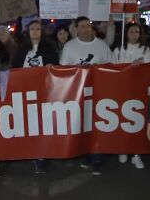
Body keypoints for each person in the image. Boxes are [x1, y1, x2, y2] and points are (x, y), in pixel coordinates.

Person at [60, 16, 113, 175]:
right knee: (81, 125)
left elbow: (111, 66)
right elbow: (63, 69)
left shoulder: (102, 46)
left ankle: (96, 159)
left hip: (98, 93)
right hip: (77, 94)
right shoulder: (69, 46)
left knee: (96, 126)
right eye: (82, 26)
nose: (86, 29)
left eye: (88, 25)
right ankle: (83, 154)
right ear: (76, 29)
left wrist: (99, 68)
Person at [12, 18, 58, 174]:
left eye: (38, 29)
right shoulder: (21, 48)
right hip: (25, 93)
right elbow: (15, 70)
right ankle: (30, 151)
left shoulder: (49, 47)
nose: (35, 31)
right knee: (28, 123)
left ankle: (41, 156)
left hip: (44, 93)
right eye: (32, 29)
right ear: (28, 31)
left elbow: (55, 67)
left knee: (42, 124)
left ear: (42, 31)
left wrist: (52, 67)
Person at [113, 22, 149, 169]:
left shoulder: (146, 50)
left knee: (138, 122)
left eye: (137, 32)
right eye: (131, 32)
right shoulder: (118, 50)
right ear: (125, 34)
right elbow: (113, 69)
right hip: (123, 91)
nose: (134, 35)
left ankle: (136, 153)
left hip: (140, 92)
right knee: (122, 120)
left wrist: (143, 61)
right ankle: (123, 149)